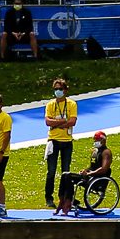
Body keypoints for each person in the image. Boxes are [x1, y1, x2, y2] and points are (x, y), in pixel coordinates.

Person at [56, 130, 112, 216]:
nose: (95, 142)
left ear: (103, 140)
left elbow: (104, 169)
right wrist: (85, 171)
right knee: (65, 175)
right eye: (94, 140)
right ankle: (63, 200)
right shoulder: (95, 151)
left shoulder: (106, 152)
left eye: (97, 140)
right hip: (90, 176)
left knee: (68, 176)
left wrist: (89, 174)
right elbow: (92, 167)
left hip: (97, 179)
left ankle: (67, 203)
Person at [44, 76, 79, 207]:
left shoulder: (71, 104)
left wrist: (56, 123)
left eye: (60, 89)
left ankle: (64, 197)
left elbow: (73, 121)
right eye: (55, 89)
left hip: (67, 141)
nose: (57, 91)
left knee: (66, 172)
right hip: (53, 140)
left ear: (65, 90)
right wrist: (64, 122)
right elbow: (48, 122)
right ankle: (49, 198)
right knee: (51, 171)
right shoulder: (50, 105)